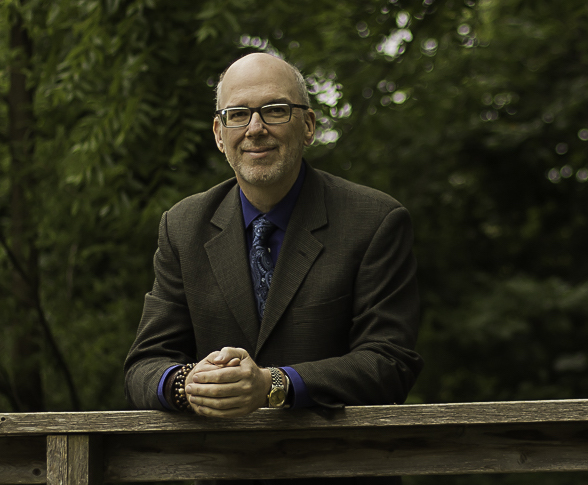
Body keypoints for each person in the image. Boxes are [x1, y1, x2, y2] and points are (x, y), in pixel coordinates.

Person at [124, 53, 422, 481]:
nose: (256, 128)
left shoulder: (375, 220)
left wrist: (272, 383)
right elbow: (142, 365)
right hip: (220, 470)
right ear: (219, 133)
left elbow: (391, 363)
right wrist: (185, 383)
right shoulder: (183, 226)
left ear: (308, 125)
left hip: (340, 469)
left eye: (275, 110)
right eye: (239, 114)